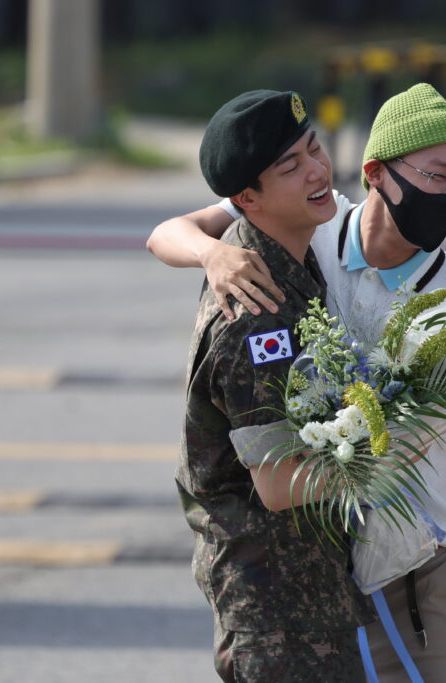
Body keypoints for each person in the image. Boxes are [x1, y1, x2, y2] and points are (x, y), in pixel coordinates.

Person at [149, 83, 446, 680]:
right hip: (316, 579)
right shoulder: (309, 233)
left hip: (420, 573)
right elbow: (170, 230)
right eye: (436, 175)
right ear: (379, 172)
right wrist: (210, 254)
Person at [172, 88, 372, 683]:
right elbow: (280, 483)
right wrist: (391, 452)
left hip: (309, 596)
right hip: (278, 614)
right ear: (245, 199)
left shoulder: (286, 258)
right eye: (291, 167)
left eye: (315, 148)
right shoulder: (256, 315)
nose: (316, 170)